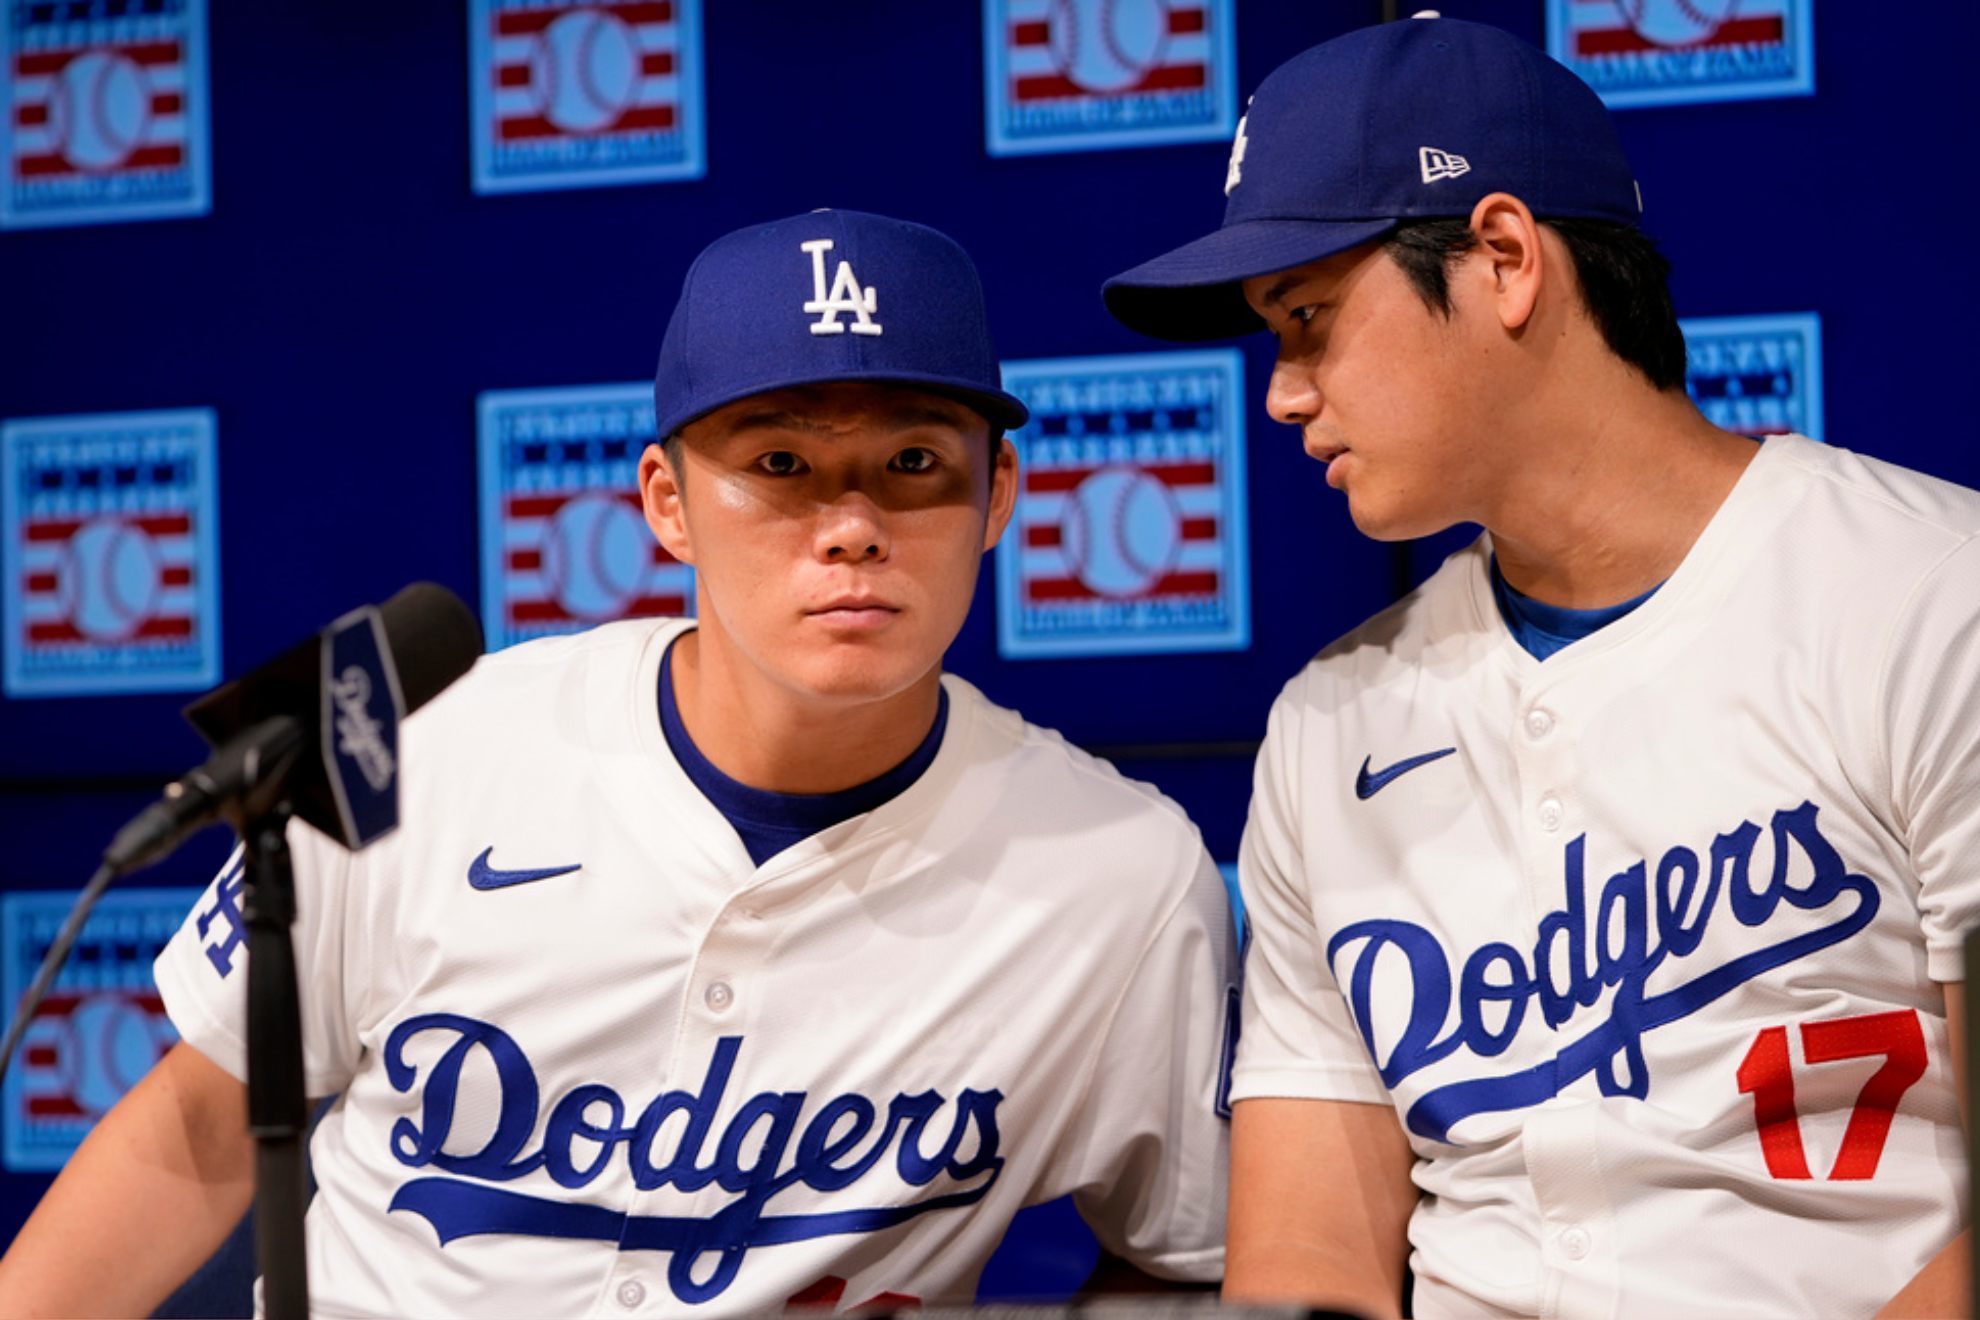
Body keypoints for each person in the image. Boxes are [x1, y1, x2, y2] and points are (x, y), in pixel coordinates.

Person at [0, 209, 1236, 1316]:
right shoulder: (427, 745)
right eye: (780, 466)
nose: (853, 525)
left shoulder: (1121, 878)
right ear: (668, 501)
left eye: (914, 463)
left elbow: (1186, 1256)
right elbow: (202, 1124)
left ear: (1000, 490)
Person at [1102, 15, 1976, 1320]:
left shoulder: (1930, 596)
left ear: (1504, 258)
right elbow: (1308, 1269)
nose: (1281, 393)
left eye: (1309, 318)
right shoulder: (1330, 724)